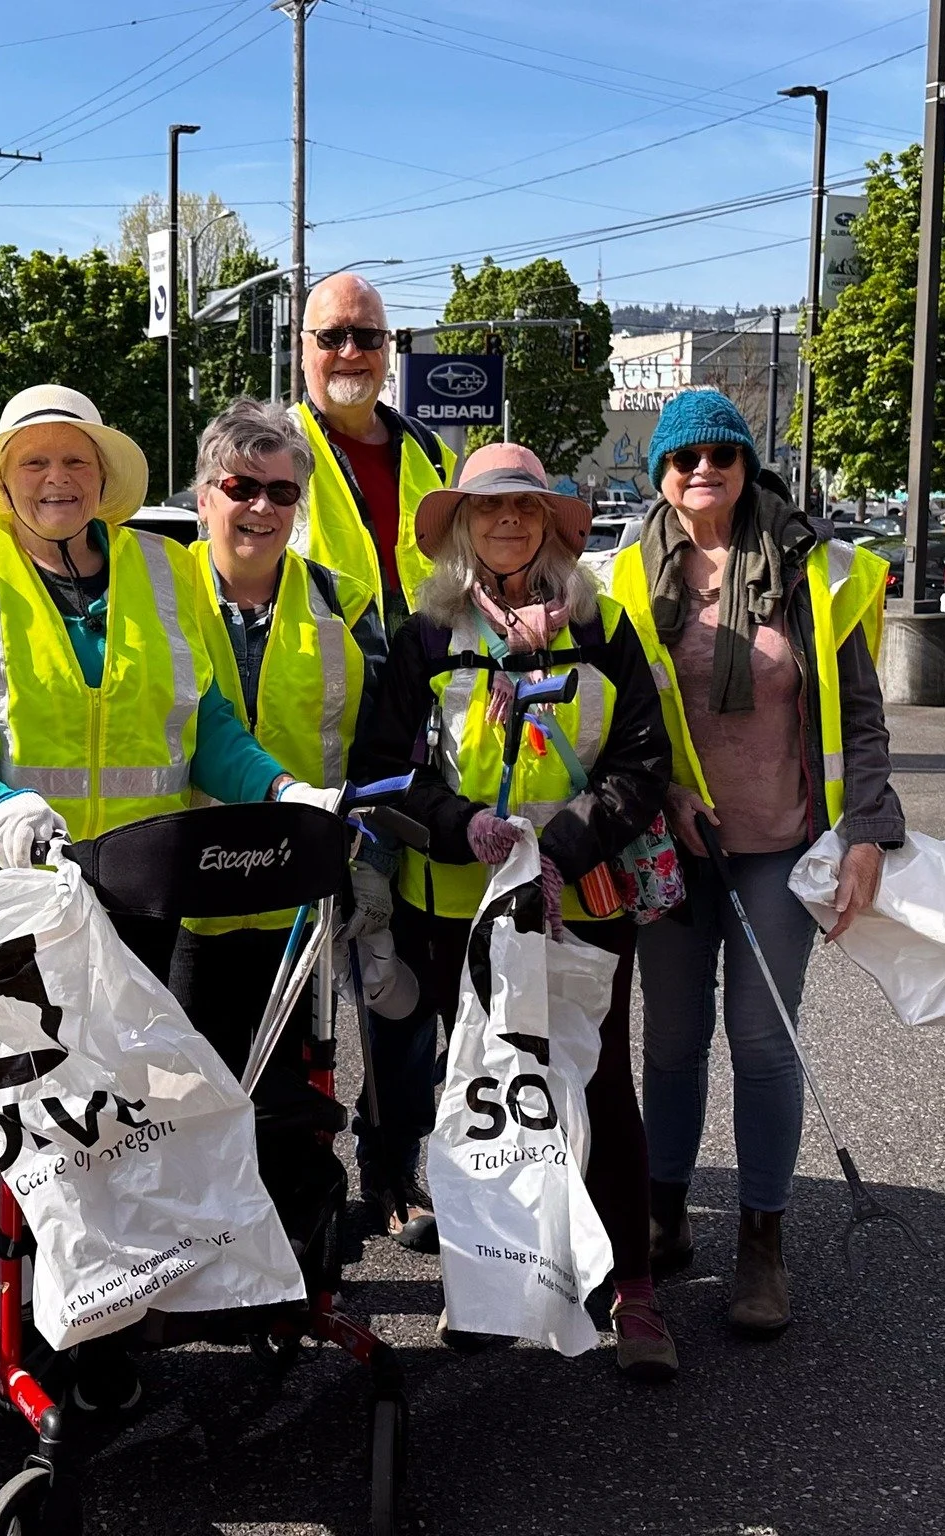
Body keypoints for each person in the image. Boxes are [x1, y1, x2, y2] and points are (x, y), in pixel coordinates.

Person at [351, 441, 679, 1380]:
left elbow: (642, 762)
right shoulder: (424, 635)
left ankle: (633, 1291)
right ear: (461, 526)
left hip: (578, 904)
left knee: (598, 1088)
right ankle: (491, 1283)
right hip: (455, 910)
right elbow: (385, 769)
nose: (507, 522)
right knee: (484, 1095)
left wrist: (558, 850)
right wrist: (462, 826)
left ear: (550, 526)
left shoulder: (603, 626)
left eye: (525, 509)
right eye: (488, 509)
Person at [611, 388, 897, 1336]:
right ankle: (664, 1219)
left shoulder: (813, 568)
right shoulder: (624, 574)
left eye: (721, 454)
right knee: (671, 1041)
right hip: (671, 843)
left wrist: (868, 832)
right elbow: (618, 714)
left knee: (764, 1040)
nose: (703, 470)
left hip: (781, 845)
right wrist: (662, 794)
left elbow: (861, 719)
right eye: (683, 457)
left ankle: (762, 1243)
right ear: (660, 472)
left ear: (745, 464)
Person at [0, 384, 337, 983]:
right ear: (2, 481)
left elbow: (205, 724)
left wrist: (282, 790)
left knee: (130, 1048)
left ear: (102, 477)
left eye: (77, 460)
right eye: (34, 461)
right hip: (0, 892)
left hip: (140, 892)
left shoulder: (168, 568)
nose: (58, 477)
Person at [166, 398, 393, 1102]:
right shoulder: (155, 595)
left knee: (295, 1106)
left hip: (301, 899)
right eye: (241, 487)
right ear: (205, 497)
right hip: (183, 898)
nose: (262, 507)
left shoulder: (347, 604)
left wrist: (372, 862)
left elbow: (380, 747)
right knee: (185, 1104)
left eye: (283, 492)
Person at [293, 272, 459, 620]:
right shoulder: (272, 450)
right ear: (303, 349)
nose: (351, 351)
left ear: (385, 347)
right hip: (320, 654)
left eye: (367, 336)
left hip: (426, 650)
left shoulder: (430, 451)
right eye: (331, 337)